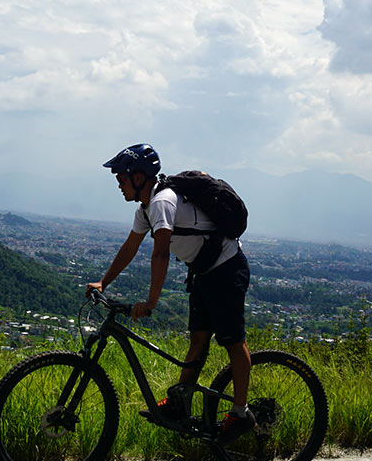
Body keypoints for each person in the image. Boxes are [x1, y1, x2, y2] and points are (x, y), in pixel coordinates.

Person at [87, 143, 255, 445]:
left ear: (139, 177)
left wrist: (151, 302)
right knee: (198, 341)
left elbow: (161, 253)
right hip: (204, 273)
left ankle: (240, 413)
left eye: (121, 178)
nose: (118, 184)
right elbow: (130, 248)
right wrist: (103, 283)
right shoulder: (145, 209)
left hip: (227, 269)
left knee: (232, 341)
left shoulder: (162, 202)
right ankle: (180, 404)